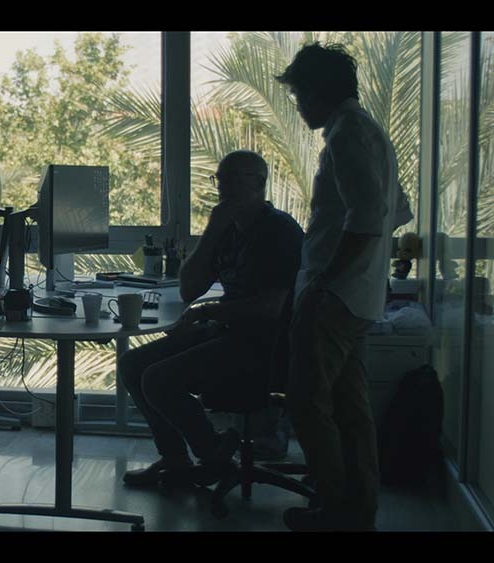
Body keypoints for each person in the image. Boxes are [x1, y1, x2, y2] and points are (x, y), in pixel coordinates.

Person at [276, 42, 413, 531]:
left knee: (307, 403)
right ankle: (358, 510)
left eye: (299, 96)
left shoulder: (347, 135)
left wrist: (325, 280)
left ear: (317, 92)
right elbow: (398, 210)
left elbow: (369, 217)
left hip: (335, 297)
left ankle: (334, 511)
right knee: (351, 409)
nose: (298, 106)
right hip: (360, 297)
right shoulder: (368, 131)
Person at [118, 151, 303, 487]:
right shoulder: (227, 231)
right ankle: (176, 460)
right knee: (132, 364)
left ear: (259, 183)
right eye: (220, 178)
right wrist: (213, 230)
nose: (223, 187)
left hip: (265, 346)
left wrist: (206, 312)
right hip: (227, 333)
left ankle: (214, 453)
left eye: (233, 178)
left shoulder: (279, 230)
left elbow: (271, 307)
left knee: (158, 379)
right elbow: (189, 289)